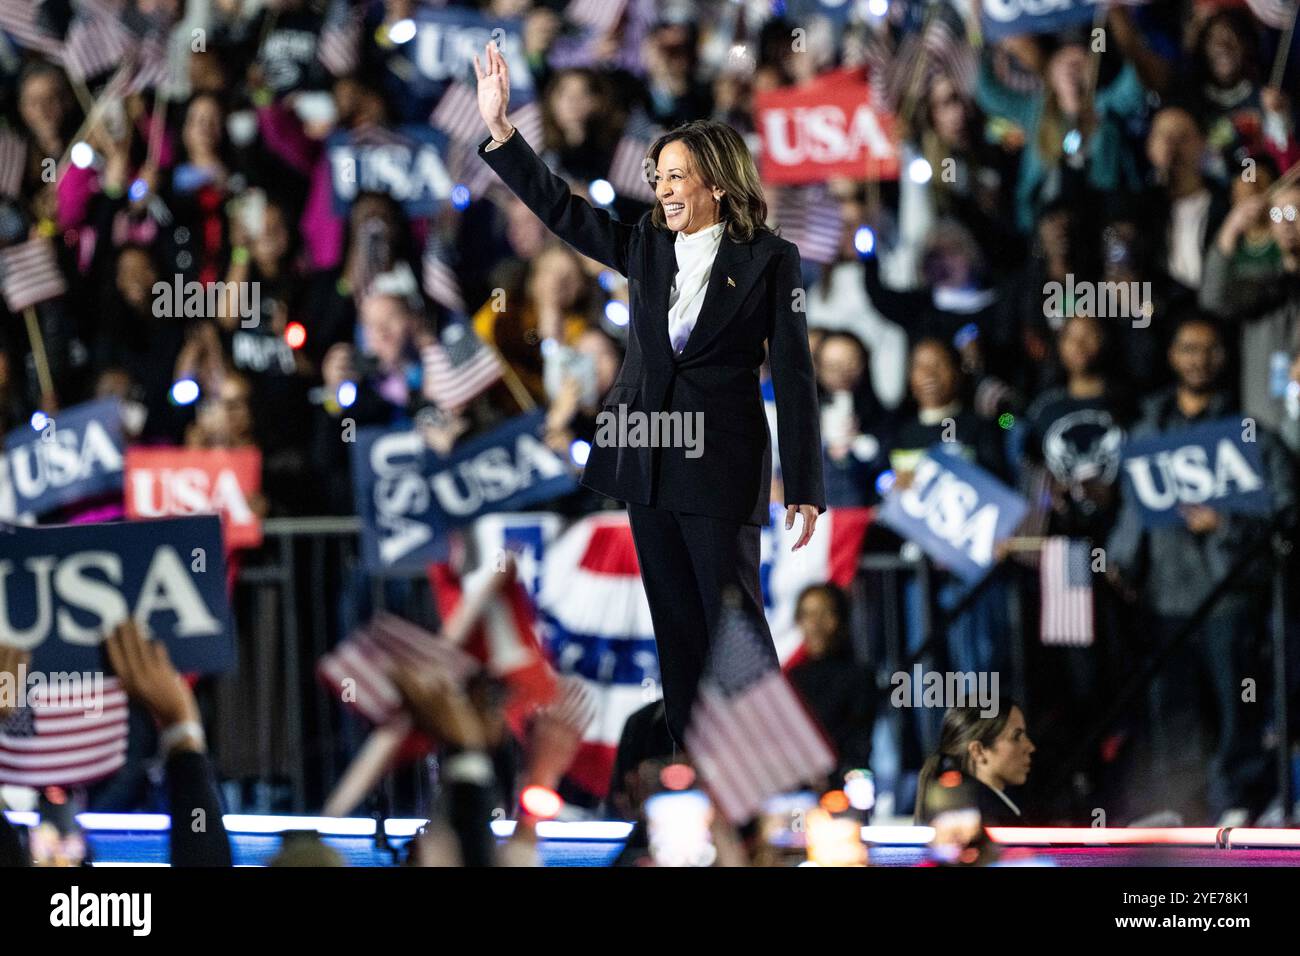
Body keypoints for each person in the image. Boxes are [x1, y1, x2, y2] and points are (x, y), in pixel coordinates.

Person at [474, 41, 825, 746]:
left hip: (719, 468)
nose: (663, 189)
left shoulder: (770, 260)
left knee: (737, 631)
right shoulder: (644, 244)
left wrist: (806, 484)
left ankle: (766, 776)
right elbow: (562, 212)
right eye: (658, 176)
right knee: (678, 635)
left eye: (677, 177)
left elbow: (793, 373)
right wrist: (504, 133)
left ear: (717, 183)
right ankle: (692, 777)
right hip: (647, 463)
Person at [1106, 314, 1295, 823]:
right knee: (1175, 709)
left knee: (1238, 704)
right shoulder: (1147, 429)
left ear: (1224, 357)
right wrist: (1120, 561)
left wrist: (1226, 524)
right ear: (1171, 355)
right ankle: (1182, 804)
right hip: (1164, 594)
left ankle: (1238, 800)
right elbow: (1131, 507)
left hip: (1228, 594)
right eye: (1188, 347)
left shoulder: (1251, 433)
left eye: (1209, 349)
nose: (1199, 359)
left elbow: (1286, 510)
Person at [915, 701, 1035, 827]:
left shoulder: (986, 812)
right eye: (1016, 737)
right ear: (978, 751)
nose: (1030, 747)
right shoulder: (986, 820)